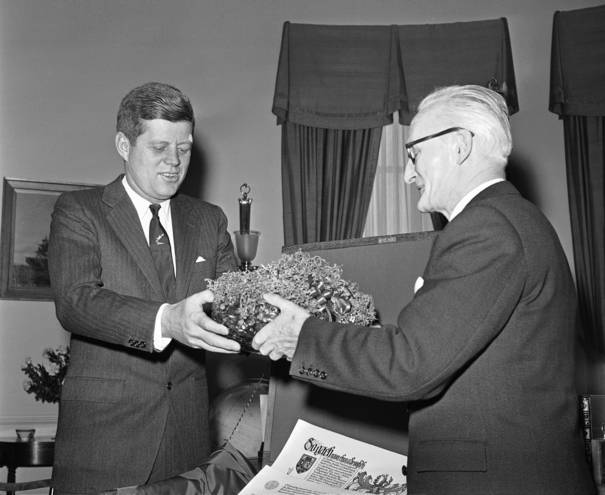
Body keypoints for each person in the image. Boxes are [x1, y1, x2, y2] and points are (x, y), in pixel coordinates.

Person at [252, 85, 595, 494]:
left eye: (413, 153)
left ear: (460, 145)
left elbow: (412, 367)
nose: (409, 174)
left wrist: (301, 337)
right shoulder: (511, 221)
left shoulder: (487, 230)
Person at [48, 81, 241, 494]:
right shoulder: (80, 211)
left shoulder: (210, 220)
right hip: (103, 445)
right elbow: (75, 301)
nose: (175, 162)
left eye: (184, 148)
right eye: (159, 148)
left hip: (185, 446)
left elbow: (234, 306)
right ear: (124, 144)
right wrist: (166, 320)